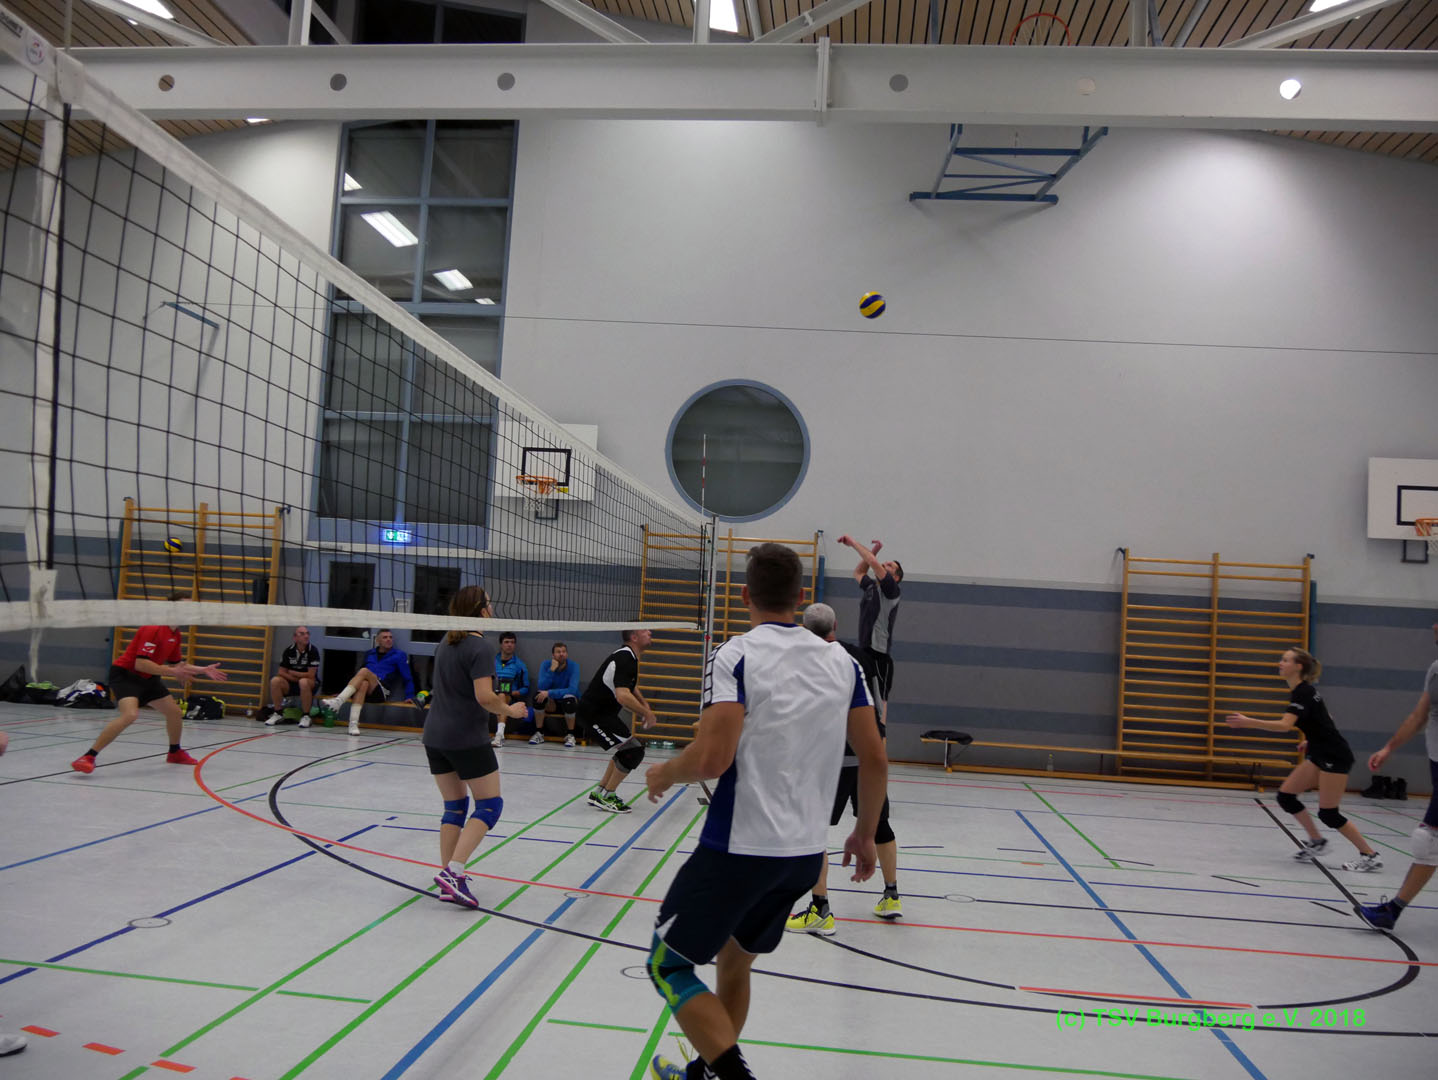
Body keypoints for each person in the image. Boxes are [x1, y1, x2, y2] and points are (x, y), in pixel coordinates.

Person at [643, 543, 887, 1080]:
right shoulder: (843, 662)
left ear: (744, 595)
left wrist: (664, 772)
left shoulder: (735, 655)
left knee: (667, 965)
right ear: (800, 597)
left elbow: (712, 759)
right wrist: (864, 832)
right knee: (735, 962)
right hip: (803, 858)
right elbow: (874, 757)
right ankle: (706, 1074)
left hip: (739, 848)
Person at [786, 602, 901, 934]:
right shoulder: (860, 658)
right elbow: (878, 707)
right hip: (866, 757)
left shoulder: (802, 661)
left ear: (804, 629)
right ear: (835, 626)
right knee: (880, 824)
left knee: (814, 830)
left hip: (830, 760)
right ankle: (891, 895)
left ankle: (820, 909)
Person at [1227, 647, 1382, 872]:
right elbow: (1327, 717)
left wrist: (1249, 722)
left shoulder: (1304, 692)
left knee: (1329, 813)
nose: (1280, 663)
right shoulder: (1303, 691)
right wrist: (1311, 739)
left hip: (1334, 755)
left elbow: (1285, 725)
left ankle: (1369, 855)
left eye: (1285, 660)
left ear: (1298, 666)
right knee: (1286, 797)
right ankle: (1317, 841)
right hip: (1320, 752)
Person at [422, 585, 530, 909]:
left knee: (454, 807)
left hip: (434, 736)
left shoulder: (446, 641)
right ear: (481, 610)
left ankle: (448, 879)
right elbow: (484, 697)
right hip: (465, 737)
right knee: (489, 805)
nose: (493, 607)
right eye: (489, 603)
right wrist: (511, 711)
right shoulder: (480, 647)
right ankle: (454, 872)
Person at [71, 600, 228, 774]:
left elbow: (177, 664)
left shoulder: (175, 634)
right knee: (130, 715)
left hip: (149, 678)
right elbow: (140, 664)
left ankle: (175, 752)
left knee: (174, 712)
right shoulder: (153, 628)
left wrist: (202, 670)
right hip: (126, 676)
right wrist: (172, 672)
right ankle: (88, 756)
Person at [1357, 621, 1438, 929]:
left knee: (1427, 840)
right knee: (1429, 841)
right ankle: (1392, 911)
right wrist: (1389, 747)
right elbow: (1419, 716)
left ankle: (1392, 911)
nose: (1434, 626)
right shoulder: (1436, 669)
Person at [578, 628, 657, 813]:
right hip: (594, 714)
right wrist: (646, 713)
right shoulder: (625, 658)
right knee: (633, 751)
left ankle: (600, 793)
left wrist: (644, 703)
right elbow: (623, 695)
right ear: (634, 637)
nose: (650, 632)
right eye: (645, 630)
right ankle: (607, 796)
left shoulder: (628, 657)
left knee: (628, 749)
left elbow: (629, 686)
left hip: (602, 714)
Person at [837, 534, 903, 719]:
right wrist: (873, 550)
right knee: (863, 700)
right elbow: (858, 573)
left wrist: (853, 543)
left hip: (879, 655)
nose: (884, 564)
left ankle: (881, 734)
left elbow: (872, 562)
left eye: (890, 566)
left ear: (895, 577)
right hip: (865, 651)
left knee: (880, 704)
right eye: (885, 562)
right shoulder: (871, 587)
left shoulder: (892, 591)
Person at [322, 629, 416, 736]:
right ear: (378, 640)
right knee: (363, 683)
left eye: (390, 637)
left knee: (364, 671)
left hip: (382, 691)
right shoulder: (370, 654)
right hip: (366, 690)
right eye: (385, 637)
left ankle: (339, 701)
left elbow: (407, 677)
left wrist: (410, 695)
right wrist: (343, 691)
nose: (389, 639)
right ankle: (353, 724)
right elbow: (357, 678)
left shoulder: (399, 655)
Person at [261, 626, 321, 727]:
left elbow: (311, 675)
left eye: (307, 633)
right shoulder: (289, 651)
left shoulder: (313, 651)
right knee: (275, 680)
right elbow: (281, 672)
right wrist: (295, 678)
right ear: (295, 638)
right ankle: (278, 713)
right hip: (291, 682)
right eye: (302, 634)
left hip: (309, 683)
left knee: (303, 682)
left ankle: (306, 716)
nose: (306, 636)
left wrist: (295, 673)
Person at [532, 640, 581, 748]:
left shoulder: (574, 666)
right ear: (553, 655)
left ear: (567, 654)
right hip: (551, 703)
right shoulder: (546, 664)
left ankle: (570, 735)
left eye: (564, 651)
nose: (561, 654)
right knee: (538, 697)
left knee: (569, 700)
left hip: (567, 701)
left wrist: (550, 693)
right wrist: (551, 670)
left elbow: (572, 690)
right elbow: (541, 686)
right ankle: (539, 732)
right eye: (558, 652)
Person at [489, 631, 533, 748]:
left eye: (512, 642)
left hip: (509, 697)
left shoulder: (520, 665)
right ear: (501, 644)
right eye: (506, 642)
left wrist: (515, 692)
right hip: (490, 694)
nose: (509, 645)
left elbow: (526, 687)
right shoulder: (491, 661)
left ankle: (499, 735)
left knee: (502, 696)